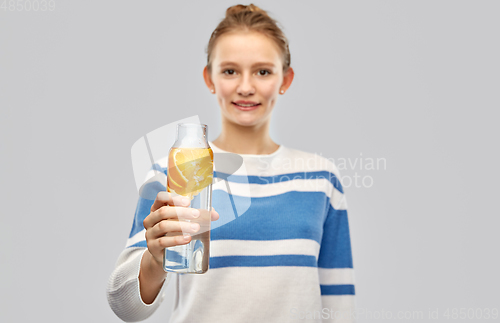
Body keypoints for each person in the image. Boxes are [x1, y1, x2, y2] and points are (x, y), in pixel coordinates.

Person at [107, 4, 356, 322]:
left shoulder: (319, 177)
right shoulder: (174, 170)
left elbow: (339, 303)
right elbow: (124, 307)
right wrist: (154, 261)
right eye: (230, 71)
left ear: (286, 79)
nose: (246, 86)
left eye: (263, 71)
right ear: (209, 78)